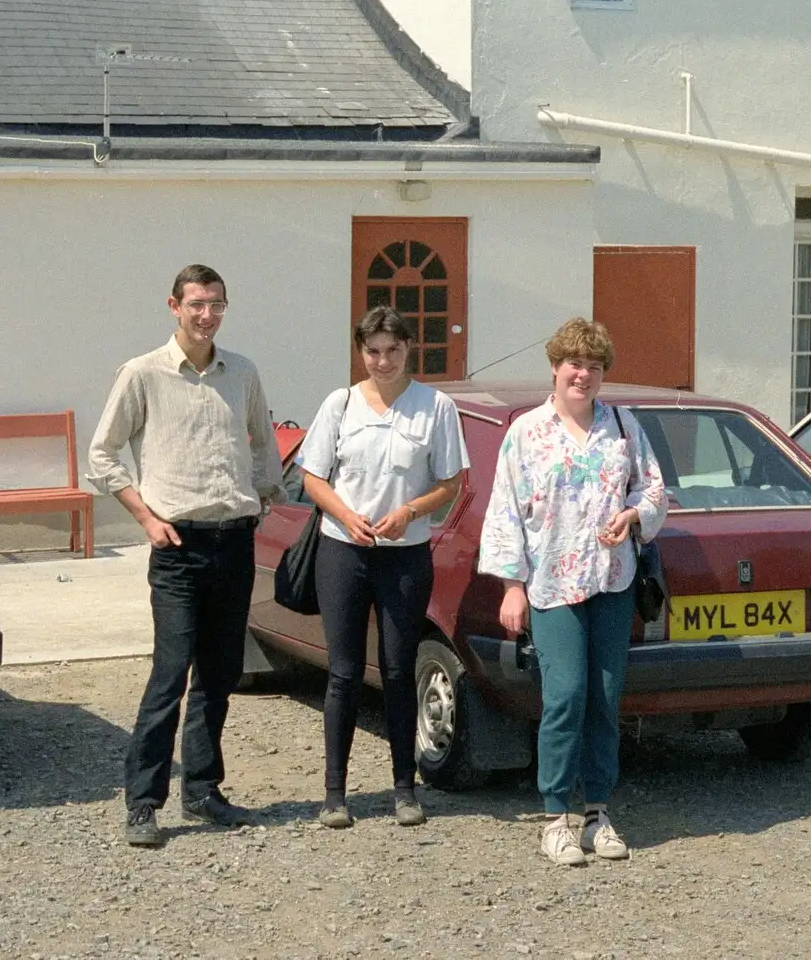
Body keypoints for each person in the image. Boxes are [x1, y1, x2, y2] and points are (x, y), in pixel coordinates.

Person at [89, 263, 285, 848]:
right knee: (170, 674)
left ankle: (202, 790)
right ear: (173, 306)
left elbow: (262, 443)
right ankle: (143, 804)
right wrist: (146, 518)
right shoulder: (142, 374)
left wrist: (266, 496)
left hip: (234, 542)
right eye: (197, 304)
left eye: (217, 305)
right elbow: (103, 455)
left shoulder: (242, 372)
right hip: (177, 547)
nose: (207, 316)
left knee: (220, 676)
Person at [477, 317, 667, 866]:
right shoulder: (526, 432)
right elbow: (504, 511)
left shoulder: (623, 425)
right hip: (552, 584)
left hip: (612, 582)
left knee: (605, 699)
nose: (583, 374)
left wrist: (634, 514)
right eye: (574, 364)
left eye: (594, 365)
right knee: (565, 696)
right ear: (555, 368)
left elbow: (653, 487)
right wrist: (512, 587)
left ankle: (597, 812)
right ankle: (556, 815)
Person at [297, 306, 468, 829]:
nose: (383, 360)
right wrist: (346, 516)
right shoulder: (340, 403)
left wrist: (411, 512)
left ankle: (403, 788)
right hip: (343, 551)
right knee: (344, 673)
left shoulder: (435, 406)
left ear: (408, 349)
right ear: (361, 352)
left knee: (397, 672)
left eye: (393, 350)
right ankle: (335, 794)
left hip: (405, 554)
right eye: (373, 351)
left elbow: (451, 482)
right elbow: (312, 477)